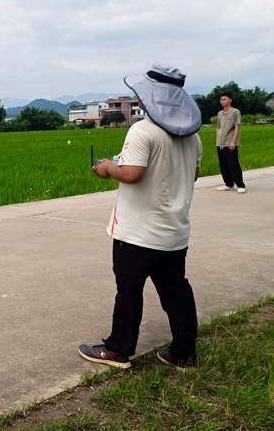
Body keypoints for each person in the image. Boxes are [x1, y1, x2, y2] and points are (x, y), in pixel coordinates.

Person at [78, 63, 203, 371]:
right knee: (176, 290)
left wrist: (108, 168)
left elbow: (132, 174)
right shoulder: (193, 138)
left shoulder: (143, 130)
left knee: (129, 289)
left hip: (138, 234)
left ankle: (118, 350)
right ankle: (183, 353)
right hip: (174, 232)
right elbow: (193, 173)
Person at [215, 91, 245, 193]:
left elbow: (237, 127)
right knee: (223, 165)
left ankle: (240, 185)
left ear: (230, 100)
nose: (222, 101)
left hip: (230, 143)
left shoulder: (235, 112)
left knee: (233, 164)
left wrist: (233, 142)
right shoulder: (219, 113)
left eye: (224, 99)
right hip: (220, 143)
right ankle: (229, 184)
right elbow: (218, 128)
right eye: (221, 99)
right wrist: (217, 142)